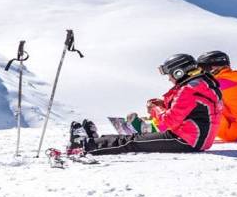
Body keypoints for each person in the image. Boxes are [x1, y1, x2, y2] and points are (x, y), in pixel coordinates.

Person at [69, 54, 223, 155]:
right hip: (193, 138)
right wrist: (163, 104)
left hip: (186, 140)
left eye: (170, 74)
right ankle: (95, 141)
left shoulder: (189, 89)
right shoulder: (201, 84)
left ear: (179, 72)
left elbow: (167, 122)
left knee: (133, 142)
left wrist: (155, 109)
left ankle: (84, 145)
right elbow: (189, 109)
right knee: (135, 138)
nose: (169, 78)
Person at [197, 50, 237, 142]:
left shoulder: (222, 82)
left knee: (198, 105)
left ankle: (186, 134)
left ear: (215, 67)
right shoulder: (227, 79)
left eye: (204, 68)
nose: (203, 72)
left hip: (235, 131)